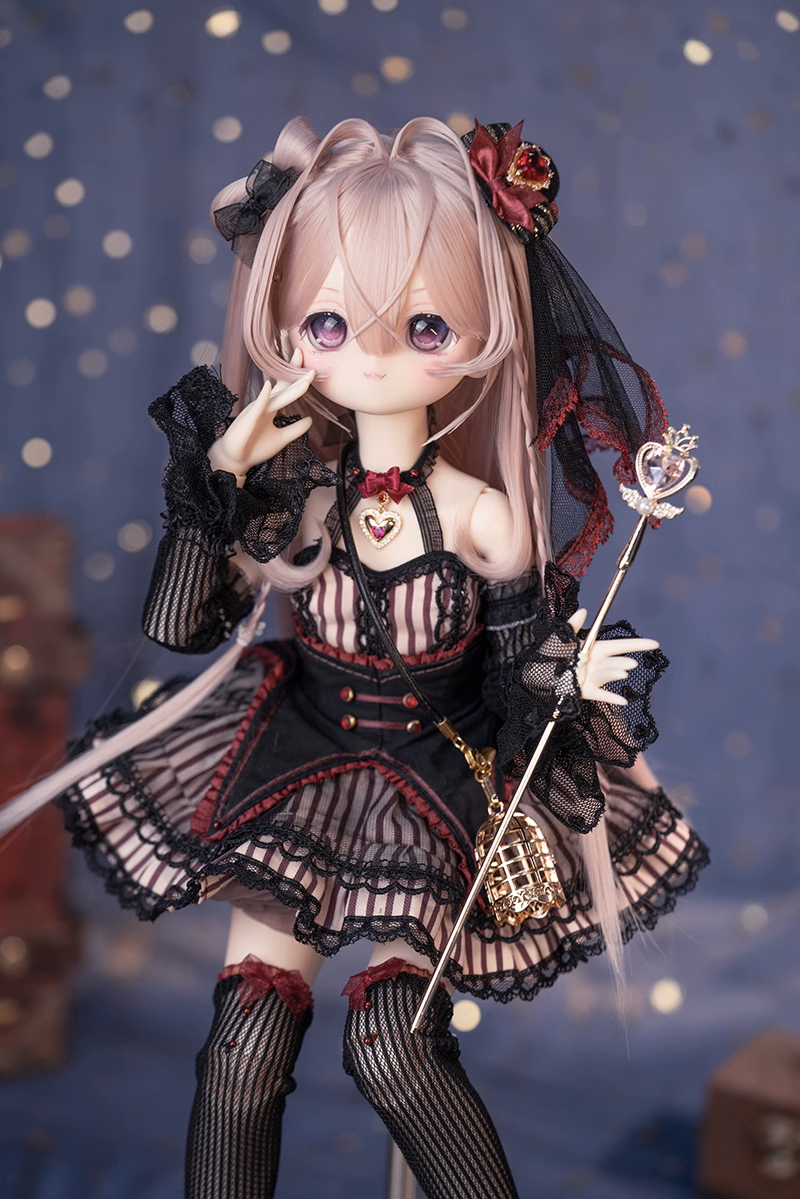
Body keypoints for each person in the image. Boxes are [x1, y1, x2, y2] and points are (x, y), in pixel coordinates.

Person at [2, 117, 709, 1199]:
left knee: (392, 1046)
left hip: (433, 780)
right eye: (330, 321)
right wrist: (221, 473)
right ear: (289, 327)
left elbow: (514, 672)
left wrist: (563, 678)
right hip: (300, 754)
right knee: (240, 1050)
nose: (371, 355)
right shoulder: (300, 502)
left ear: (481, 328)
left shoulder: (479, 516)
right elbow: (180, 625)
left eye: (423, 324)